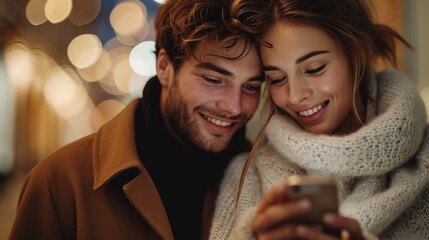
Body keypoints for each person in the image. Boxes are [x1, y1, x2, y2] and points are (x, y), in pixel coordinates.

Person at [9, 0, 264, 239]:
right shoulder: (60, 181)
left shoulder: (266, 180)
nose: (234, 106)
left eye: (251, 87)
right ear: (164, 67)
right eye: (213, 80)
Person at [208, 0, 429, 239]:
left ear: (357, 53)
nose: (295, 96)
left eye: (314, 69)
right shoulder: (245, 174)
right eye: (277, 79)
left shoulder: (424, 161)